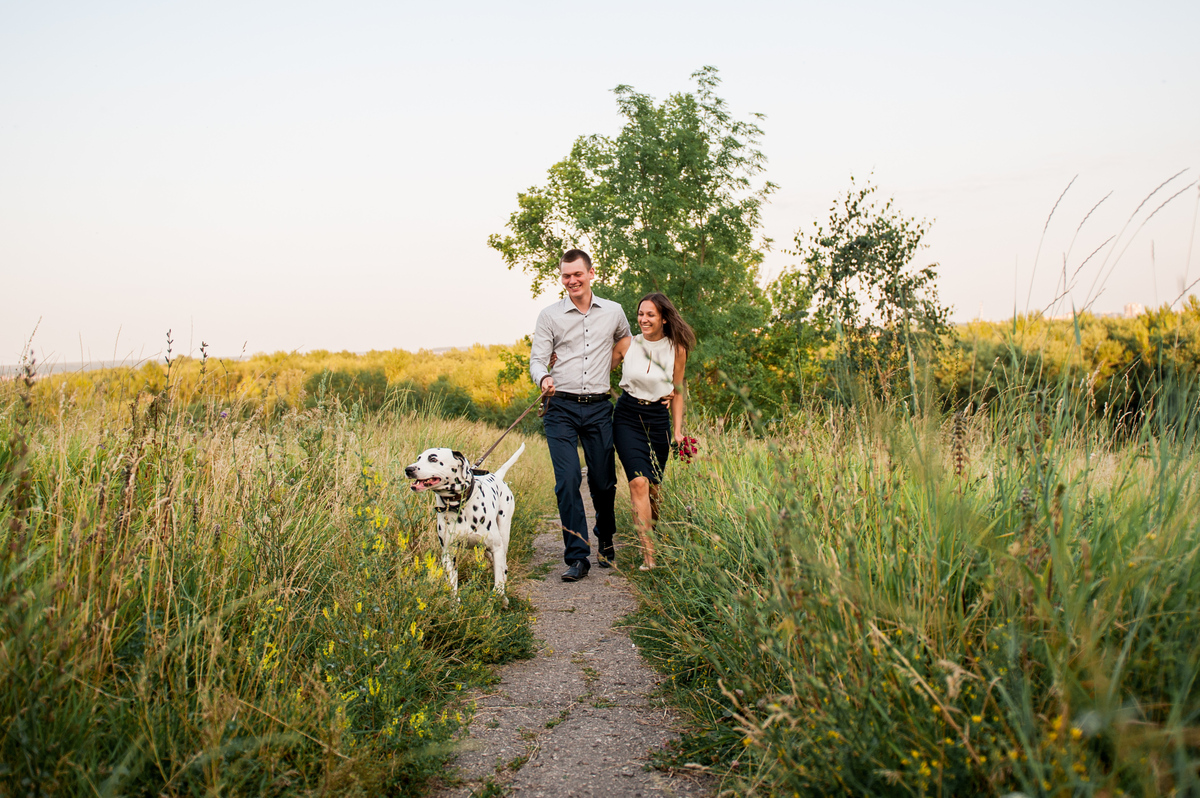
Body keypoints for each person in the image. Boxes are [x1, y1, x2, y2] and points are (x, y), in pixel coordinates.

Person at [530, 250, 632, 582]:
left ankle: (605, 536)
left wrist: (612, 367)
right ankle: (577, 556)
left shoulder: (614, 312)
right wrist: (543, 377)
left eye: (577, 274)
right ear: (561, 278)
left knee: (603, 481)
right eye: (565, 276)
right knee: (568, 479)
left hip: (600, 406)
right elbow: (537, 360)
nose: (572, 281)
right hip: (559, 407)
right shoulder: (549, 316)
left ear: (591, 273)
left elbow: (625, 343)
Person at [610, 292, 695, 570]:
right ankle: (649, 557)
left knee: (654, 490)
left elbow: (678, 390)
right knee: (638, 483)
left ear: (664, 319)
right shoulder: (627, 344)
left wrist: (678, 432)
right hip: (627, 416)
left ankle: (650, 532)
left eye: (650, 315)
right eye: (641, 314)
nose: (643, 320)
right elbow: (594, 369)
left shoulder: (677, 348)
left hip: (658, 420)